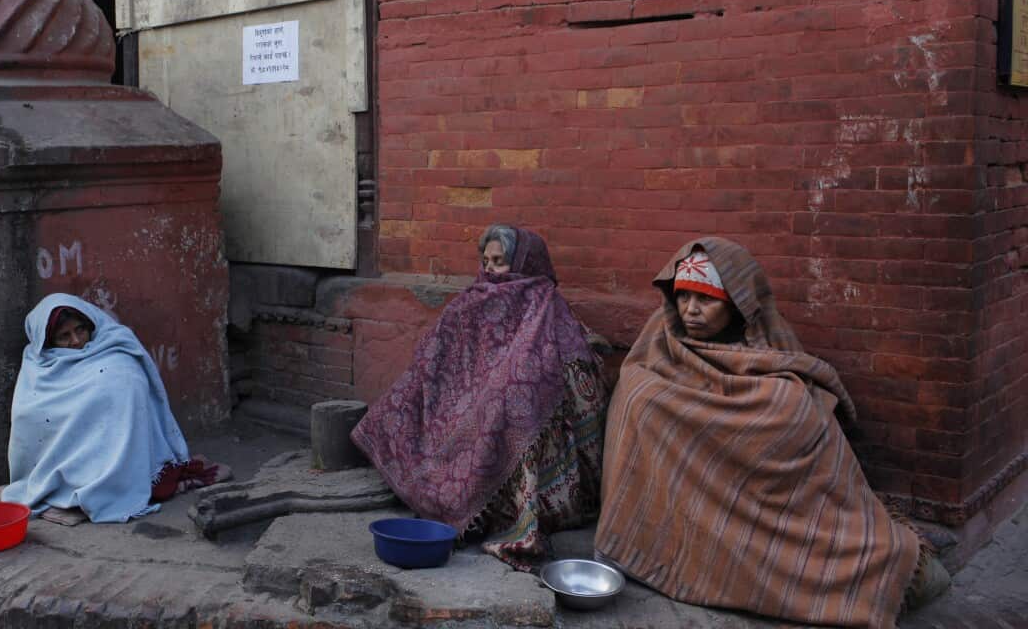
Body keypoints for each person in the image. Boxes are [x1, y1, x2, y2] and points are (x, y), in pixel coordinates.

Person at [593, 237, 948, 628]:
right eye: (683, 297)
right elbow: (637, 398)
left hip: (783, 510)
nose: (691, 310)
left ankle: (849, 559)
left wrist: (764, 415)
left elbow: (801, 412)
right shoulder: (657, 347)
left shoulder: (769, 352)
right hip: (674, 525)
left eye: (707, 300)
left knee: (794, 408)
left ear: (738, 305)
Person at [352, 225, 608, 570]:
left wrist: (498, 389)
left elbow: (542, 359)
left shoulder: (543, 302)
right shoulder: (475, 297)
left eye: (499, 262)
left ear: (525, 263)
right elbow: (440, 348)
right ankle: (430, 483)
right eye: (486, 261)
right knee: (414, 386)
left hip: (508, 402)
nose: (489, 270)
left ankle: (491, 506)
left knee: (515, 399)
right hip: (465, 399)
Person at [2, 294, 216, 522]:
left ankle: (112, 478)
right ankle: (75, 479)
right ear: (46, 341)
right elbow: (28, 413)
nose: (75, 341)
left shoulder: (113, 347)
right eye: (63, 336)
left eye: (80, 330)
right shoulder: (38, 365)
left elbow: (128, 384)